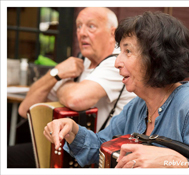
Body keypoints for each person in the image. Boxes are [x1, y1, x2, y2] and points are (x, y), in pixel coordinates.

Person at [43, 11, 189, 168]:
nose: (117, 62)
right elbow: (101, 146)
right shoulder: (137, 107)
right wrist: (73, 130)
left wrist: (176, 163)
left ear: (156, 57)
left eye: (127, 51)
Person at [7, 7, 136, 168]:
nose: (82, 33)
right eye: (78, 26)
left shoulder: (117, 63)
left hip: (100, 155)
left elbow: (75, 99)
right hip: (72, 147)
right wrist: (55, 73)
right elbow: (25, 109)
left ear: (113, 33)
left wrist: (61, 82)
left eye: (91, 26)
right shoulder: (82, 60)